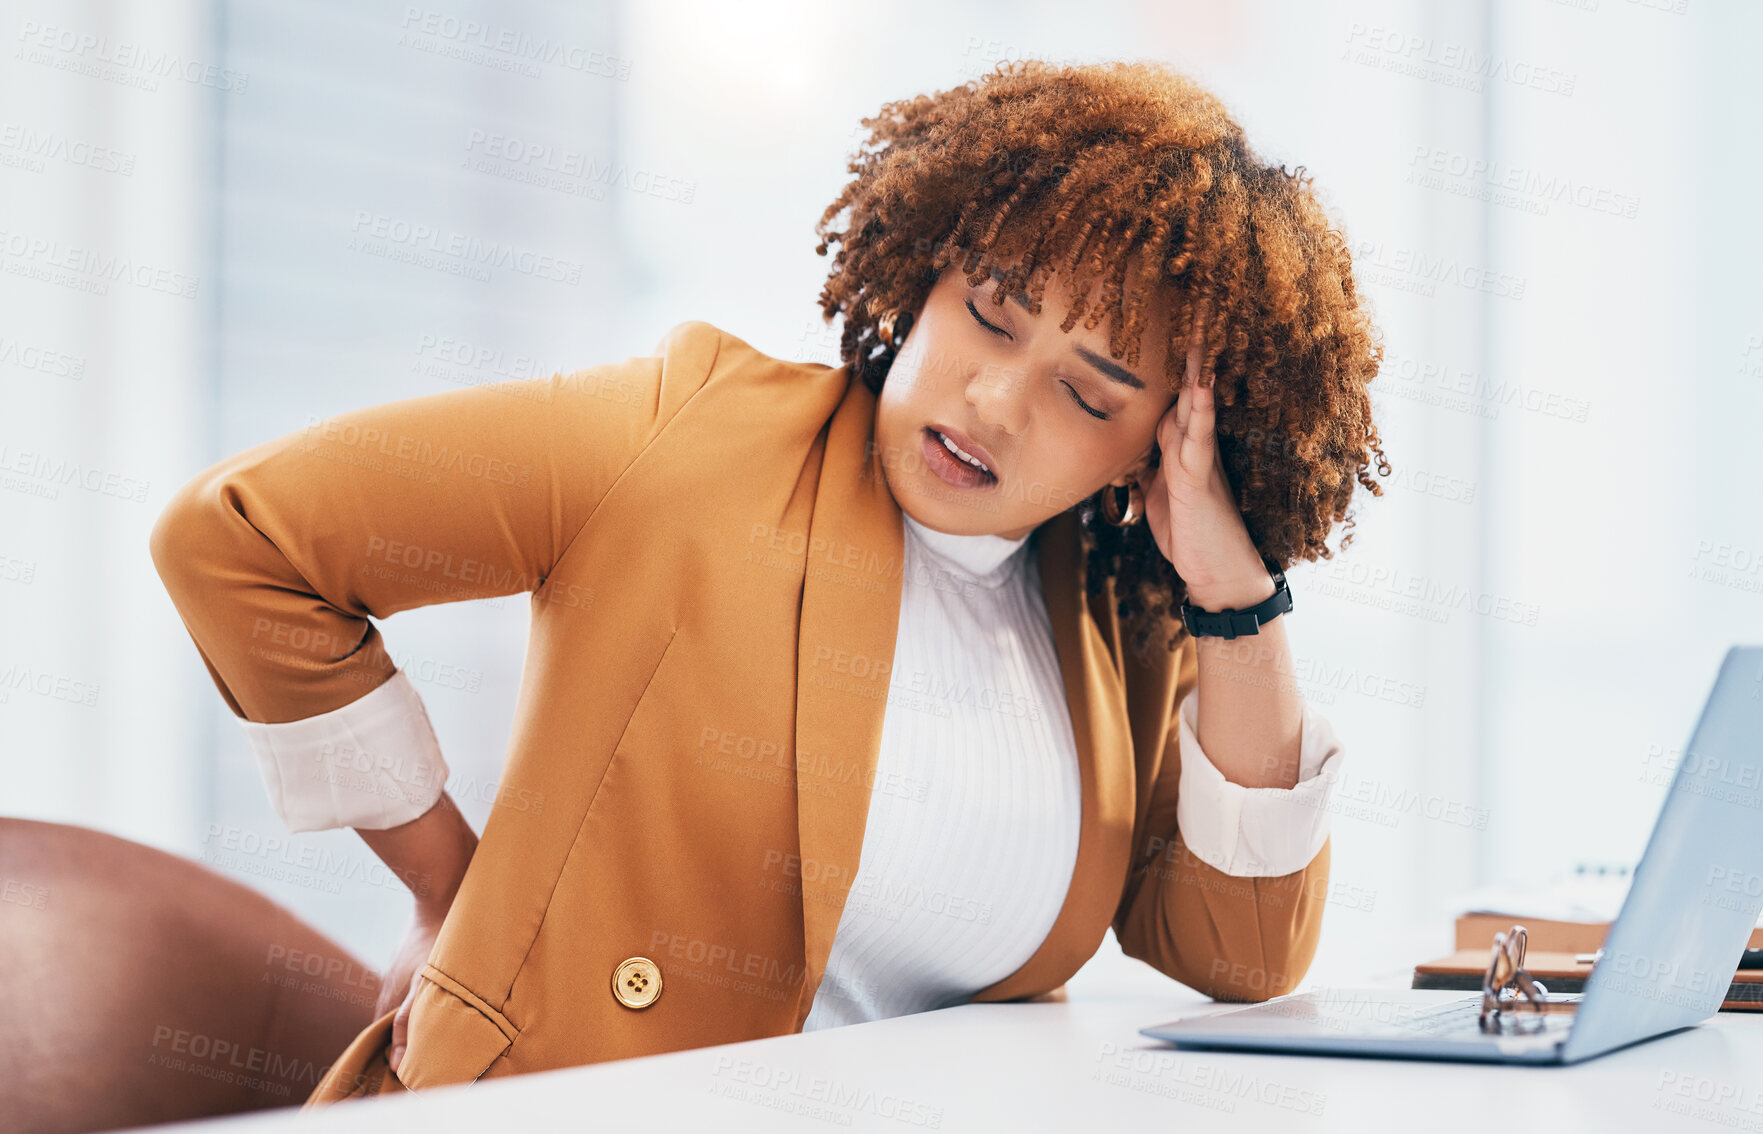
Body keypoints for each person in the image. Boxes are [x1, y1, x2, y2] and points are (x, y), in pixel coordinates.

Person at [140, 58, 1388, 1110]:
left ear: (1156, 444)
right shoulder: (692, 436)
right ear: (923, 273)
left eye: (1087, 393)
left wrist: (1234, 601)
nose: (991, 401)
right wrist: (447, 886)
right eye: (989, 315)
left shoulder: (1109, 610)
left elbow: (1241, 954)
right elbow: (242, 536)